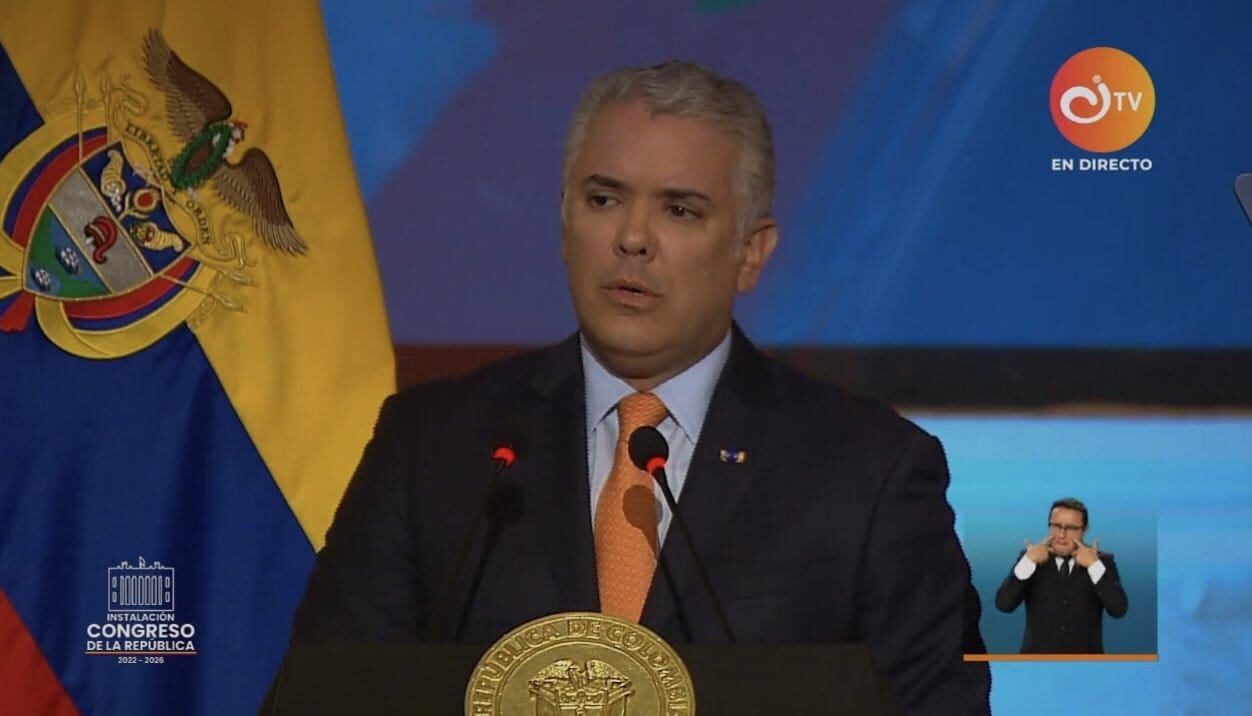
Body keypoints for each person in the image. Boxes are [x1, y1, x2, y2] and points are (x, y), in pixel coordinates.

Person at [289, 61, 990, 713]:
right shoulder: (433, 446)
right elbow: (335, 694)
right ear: (565, 223)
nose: (632, 237)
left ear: (752, 252)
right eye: (603, 198)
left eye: (680, 210)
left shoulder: (870, 472)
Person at [995, 497, 1129, 653]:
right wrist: (1028, 562)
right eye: (1056, 526)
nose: (1061, 534)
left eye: (1071, 528)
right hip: (1035, 665)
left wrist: (1094, 566)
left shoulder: (1102, 562)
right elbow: (1003, 604)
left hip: (1087, 667)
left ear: (1084, 530)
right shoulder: (1030, 557)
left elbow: (1119, 610)